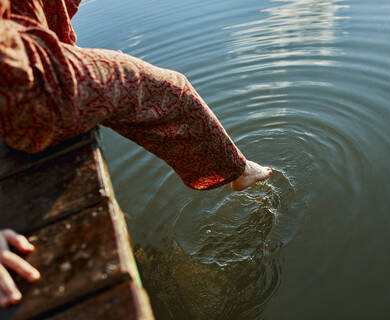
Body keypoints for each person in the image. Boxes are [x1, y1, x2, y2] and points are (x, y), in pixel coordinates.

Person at [0, 0, 271, 307]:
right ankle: (238, 170)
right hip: (22, 79)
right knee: (169, 91)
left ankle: (61, 49)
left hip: (17, 50)